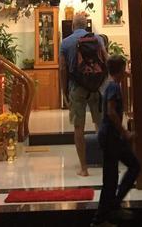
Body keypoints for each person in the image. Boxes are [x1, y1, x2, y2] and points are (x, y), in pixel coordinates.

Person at [93, 55, 141, 226]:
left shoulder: (110, 84)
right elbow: (111, 112)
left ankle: (110, 209)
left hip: (110, 137)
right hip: (111, 137)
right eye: (125, 67)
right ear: (121, 69)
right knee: (121, 173)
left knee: (112, 178)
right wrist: (125, 133)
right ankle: (103, 216)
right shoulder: (113, 86)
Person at [59, 11, 107, 176]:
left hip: (77, 89)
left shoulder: (65, 43)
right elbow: (105, 60)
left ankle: (84, 168)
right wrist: (101, 83)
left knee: (79, 127)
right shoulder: (98, 39)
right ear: (86, 25)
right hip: (95, 88)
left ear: (72, 26)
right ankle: (106, 163)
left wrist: (63, 91)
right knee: (100, 125)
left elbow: (63, 68)